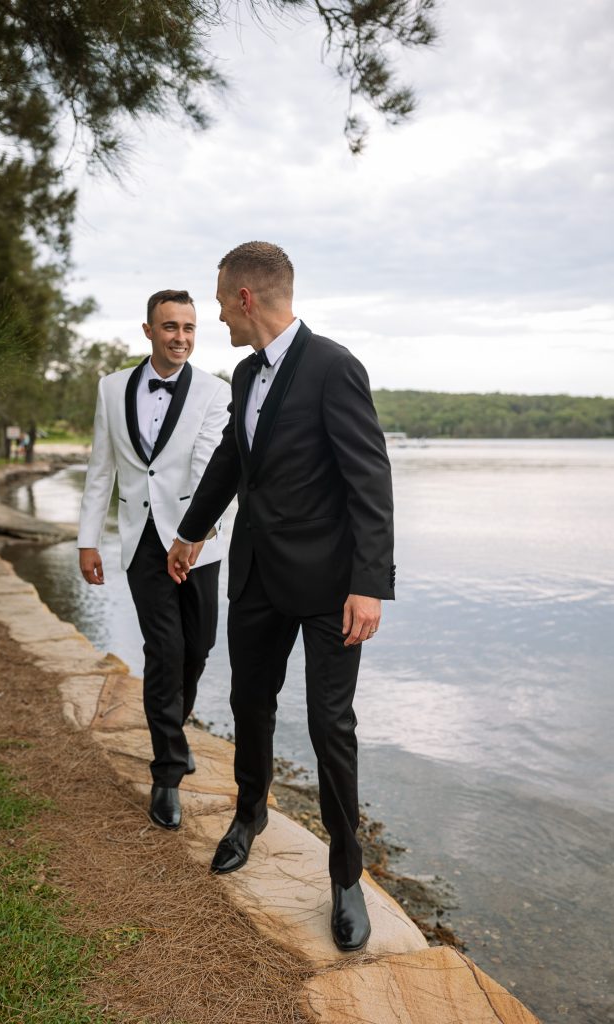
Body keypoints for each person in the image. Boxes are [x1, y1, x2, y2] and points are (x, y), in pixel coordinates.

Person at [166, 243, 395, 952]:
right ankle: (248, 816)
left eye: (217, 302)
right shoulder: (243, 371)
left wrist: (369, 584)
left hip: (331, 588)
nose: (214, 317)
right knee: (249, 704)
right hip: (258, 576)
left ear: (244, 299)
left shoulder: (333, 366)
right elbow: (236, 462)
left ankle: (345, 875)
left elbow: (369, 480)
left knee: (330, 727)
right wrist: (190, 531)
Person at [78, 289, 229, 831]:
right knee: (163, 649)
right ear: (148, 330)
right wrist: (87, 540)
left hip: (200, 541)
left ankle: (173, 730)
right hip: (141, 539)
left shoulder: (215, 391)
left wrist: (189, 539)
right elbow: (101, 469)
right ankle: (167, 771)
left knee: (199, 645)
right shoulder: (111, 387)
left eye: (189, 328)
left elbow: (211, 467)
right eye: (170, 327)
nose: (181, 338)